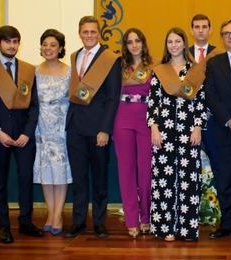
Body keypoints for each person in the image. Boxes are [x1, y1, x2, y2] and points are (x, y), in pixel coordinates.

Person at [148, 27, 207, 241]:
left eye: (177, 41)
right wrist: (154, 127)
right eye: (170, 42)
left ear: (184, 43)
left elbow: (201, 102)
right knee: (164, 179)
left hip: (188, 131)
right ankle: (165, 228)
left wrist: (198, 126)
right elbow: (153, 102)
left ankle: (187, 228)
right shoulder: (159, 70)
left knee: (188, 180)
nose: (174, 45)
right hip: (164, 132)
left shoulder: (195, 71)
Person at [65, 17, 121, 239]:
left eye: (93, 32)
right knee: (78, 178)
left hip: (98, 129)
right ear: (79, 33)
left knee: (99, 179)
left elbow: (112, 97)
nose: (89, 35)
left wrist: (105, 129)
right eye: (85, 31)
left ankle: (99, 222)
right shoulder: (74, 56)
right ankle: (78, 222)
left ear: (99, 34)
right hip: (75, 127)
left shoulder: (110, 59)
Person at [0, 25, 43, 244]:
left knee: (25, 179)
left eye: (15, 41)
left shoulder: (28, 70)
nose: (12, 46)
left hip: (23, 136)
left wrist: (27, 133)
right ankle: (4, 226)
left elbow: (34, 106)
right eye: (8, 41)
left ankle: (26, 221)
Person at [205, 19, 231, 239]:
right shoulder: (214, 63)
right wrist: (228, 118)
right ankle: (229, 224)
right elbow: (210, 94)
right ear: (221, 37)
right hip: (224, 130)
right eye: (226, 33)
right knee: (226, 180)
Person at [113, 28, 153, 238]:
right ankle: (131, 220)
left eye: (137, 40)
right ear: (125, 46)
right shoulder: (118, 67)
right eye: (129, 42)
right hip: (122, 119)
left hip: (146, 120)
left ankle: (146, 217)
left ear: (143, 43)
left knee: (146, 171)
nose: (134, 45)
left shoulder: (154, 68)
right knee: (126, 171)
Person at [33, 29, 72, 236]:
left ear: (60, 49)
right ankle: (50, 212)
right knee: (45, 171)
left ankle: (58, 215)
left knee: (60, 171)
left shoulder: (69, 71)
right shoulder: (34, 71)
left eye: (53, 45)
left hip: (61, 126)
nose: (48, 48)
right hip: (41, 126)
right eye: (45, 44)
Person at [188, 14, 219, 176]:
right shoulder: (183, 53)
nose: (200, 30)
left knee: (216, 160)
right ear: (191, 30)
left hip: (214, 115)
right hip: (188, 117)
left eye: (204, 27)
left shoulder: (218, 54)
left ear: (210, 30)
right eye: (197, 27)